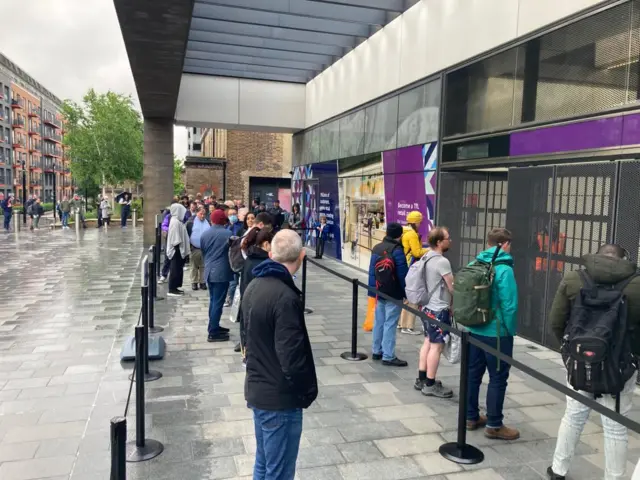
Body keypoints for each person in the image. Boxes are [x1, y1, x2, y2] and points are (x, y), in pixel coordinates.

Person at [546, 244, 640, 480]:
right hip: (619, 367)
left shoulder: (574, 278)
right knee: (615, 427)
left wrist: (569, 353)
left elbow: (556, 321)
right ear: (624, 259)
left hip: (579, 361)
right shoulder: (637, 284)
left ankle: (558, 469)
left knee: (573, 416)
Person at [243, 229, 317, 480]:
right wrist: (306, 392)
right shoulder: (285, 297)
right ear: (302, 256)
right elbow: (291, 357)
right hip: (280, 398)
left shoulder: (255, 284)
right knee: (280, 470)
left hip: (259, 388)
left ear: (271, 252)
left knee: (264, 464)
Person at [466, 228, 519, 441]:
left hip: (473, 329)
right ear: (504, 244)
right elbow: (510, 305)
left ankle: (470, 417)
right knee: (497, 378)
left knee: (472, 374)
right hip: (496, 333)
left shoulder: (474, 264)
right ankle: (494, 424)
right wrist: (509, 330)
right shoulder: (504, 270)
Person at [414, 227, 454, 398]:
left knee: (428, 342)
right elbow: (452, 287)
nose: (449, 240)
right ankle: (430, 384)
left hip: (426, 307)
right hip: (438, 309)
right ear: (439, 242)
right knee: (436, 346)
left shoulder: (425, 256)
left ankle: (422, 378)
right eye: (447, 238)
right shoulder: (442, 261)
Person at [368, 223, 410, 367]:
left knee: (379, 321)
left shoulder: (377, 248)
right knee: (390, 323)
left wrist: (372, 292)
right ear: (400, 235)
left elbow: (372, 273)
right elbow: (403, 275)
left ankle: (376, 350)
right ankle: (388, 355)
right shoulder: (397, 250)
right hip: (394, 292)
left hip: (380, 291)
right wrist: (406, 293)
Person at [237, 227, 276, 363]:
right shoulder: (264, 263)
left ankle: (247, 354)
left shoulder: (250, 258)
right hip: (258, 307)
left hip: (247, 304)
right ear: (266, 244)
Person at [201, 209, 234, 342]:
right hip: (222, 272)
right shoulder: (228, 234)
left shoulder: (205, 234)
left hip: (209, 270)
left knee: (213, 300)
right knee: (218, 302)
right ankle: (213, 332)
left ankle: (213, 326)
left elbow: (204, 251)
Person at [399, 211, 430, 335]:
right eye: (420, 222)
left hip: (404, 266)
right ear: (416, 222)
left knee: (407, 298)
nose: (420, 224)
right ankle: (408, 327)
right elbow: (417, 253)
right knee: (413, 298)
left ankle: (402, 324)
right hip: (410, 266)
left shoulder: (403, 231)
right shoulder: (412, 234)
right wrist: (429, 249)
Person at [166, 203, 191, 296]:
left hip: (179, 249)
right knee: (174, 269)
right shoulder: (175, 222)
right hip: (176, 250)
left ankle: (176, 286)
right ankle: (172, 288)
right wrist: (178, 248)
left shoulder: (178, 221)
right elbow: (175, 238)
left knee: (178, 269)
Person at [186, 206, 210, 291]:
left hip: (205, 249)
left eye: (204, 214)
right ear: (197, 213)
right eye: (201, 214)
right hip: (194, 248)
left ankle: (203, 282)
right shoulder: (191, 222)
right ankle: (194, 282)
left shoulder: (208, 222)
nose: (202, 216)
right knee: (194, 266)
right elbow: (187, 235)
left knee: (203, 266)